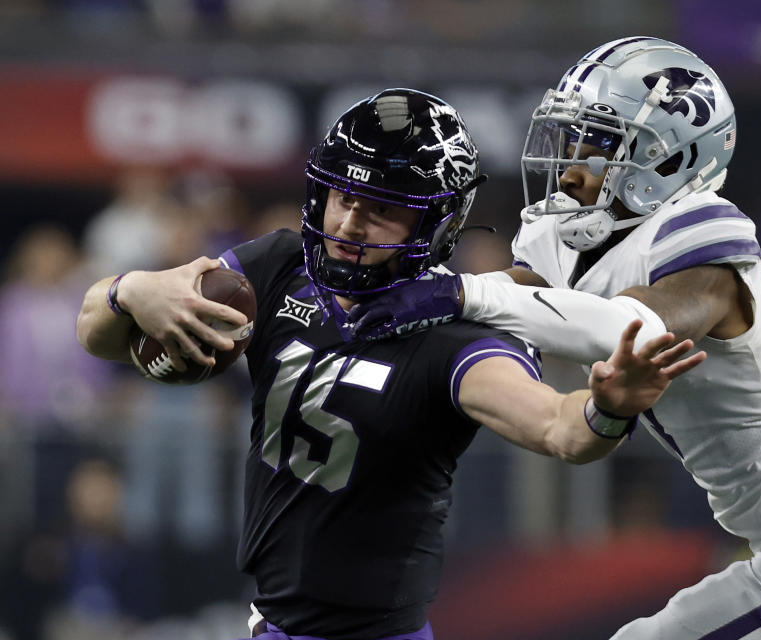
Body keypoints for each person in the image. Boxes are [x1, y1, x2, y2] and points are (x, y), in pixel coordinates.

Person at [346, 40, 761, 639]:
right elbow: (525, 299)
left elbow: (626, 327)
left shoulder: (703, 235)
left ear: (671, 158)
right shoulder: (574, 234)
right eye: (573, 135)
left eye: (600, 141)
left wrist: (461, 292)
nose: (574, 160)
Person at [75, 88, 703, 640]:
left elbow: (557, 428)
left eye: (382, 210)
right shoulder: (276, 267)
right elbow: (96, 334)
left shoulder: (454, 334)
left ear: (434, 225)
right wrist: (128, 289)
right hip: (273, 623)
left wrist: (609, 407)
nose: (349, 223)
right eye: (342, 197)